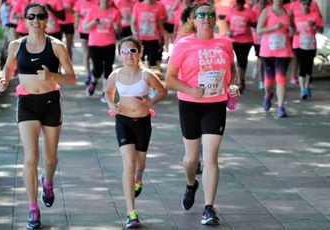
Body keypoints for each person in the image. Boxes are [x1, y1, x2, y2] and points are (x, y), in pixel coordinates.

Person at [0, 3, 76, 229]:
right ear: (25, 19)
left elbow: (71, 78)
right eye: (31, 17)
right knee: (31, 157)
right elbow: (9, 70)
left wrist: (52, 75)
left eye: (40, 17)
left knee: (50, 158)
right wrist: (4, 81)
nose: (36, 20)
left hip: (51, 102)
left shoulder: (57, 46)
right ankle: (32, 208)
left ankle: (48, 182)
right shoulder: (16, 45)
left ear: (46, 20)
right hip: (27, 103)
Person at [165, 3, 239, 226]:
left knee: (211, 158)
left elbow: (231, 68)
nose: (206, 18)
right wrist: (191, 90)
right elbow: (170, 79)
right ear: (194, 20)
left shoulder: (224, 42)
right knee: (190, 159)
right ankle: (190, 184)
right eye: (201, 15)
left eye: (210, 14)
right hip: (189, 104)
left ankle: (209, 208)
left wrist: (232, 85)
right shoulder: (183, 44)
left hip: (215, 104)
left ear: (215, 19)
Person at [105, 36, 167, 228]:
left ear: (139, 53)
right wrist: (111, 105)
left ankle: (139, 178)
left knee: (140, 165)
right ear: (120, 54)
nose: (129, 55)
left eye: (133, 51)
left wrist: (149, 102)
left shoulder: (146, 75)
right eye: (125, 51)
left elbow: (162, 91)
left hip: (143, 122)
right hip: (123, 121)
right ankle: (131, 212)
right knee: (129, 165)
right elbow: (108, 92)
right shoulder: (115, 75)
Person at [257, 0, 294, 118]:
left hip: (284, 50)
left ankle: (281, 107)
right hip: (268, 51)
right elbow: (259, 30)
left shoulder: (289, 13)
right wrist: (274, 27)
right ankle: (268, 95)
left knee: (281, 77)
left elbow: (293, 29)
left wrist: (292, 31)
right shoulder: (266, 12)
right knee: (269, 80)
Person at [83, 0, 122, 103]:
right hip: (95, 44)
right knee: (97, 69)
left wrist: (117, 27)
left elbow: (119, 29)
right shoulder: (92, 10)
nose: (105, 1)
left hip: (109, 43)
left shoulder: (114, 12)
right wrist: (94, 22)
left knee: (108, 67)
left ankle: (106, 93)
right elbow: (85, 27)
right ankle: (93, 81)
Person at [292, 0, 323, 99]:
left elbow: (321, 30)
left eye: (307, 4)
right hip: (298, 44)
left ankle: (307, 86)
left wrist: (314, 25)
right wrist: (294, 32)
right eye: (303, 4)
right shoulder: (296, 16)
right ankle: (302, 90)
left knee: (309, 66)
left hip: (311, 44)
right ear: (300, 4)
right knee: (302, 66)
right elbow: (290, 28)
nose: (305, 6)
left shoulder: (315, 15)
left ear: (310, 5)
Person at [225, 0, 255, 93]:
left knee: (243, 59)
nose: (238, 6)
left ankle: (241, 80)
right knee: (239, 59)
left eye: (240, 4)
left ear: (243, 4)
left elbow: (255, 24)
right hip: (234, 40)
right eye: (237, 4)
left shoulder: (249, 12)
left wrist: (249, 24)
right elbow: (226, 21)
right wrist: (228, 31)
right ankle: (240, 82)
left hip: (247, 40)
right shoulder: (231, 11)